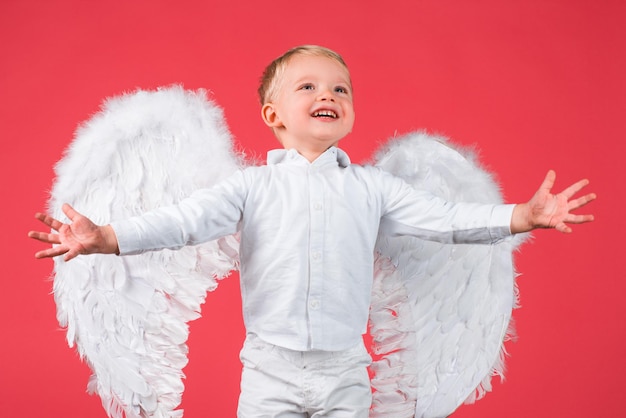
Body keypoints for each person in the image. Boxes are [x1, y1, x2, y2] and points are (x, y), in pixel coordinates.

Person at [29, 45, 596, 418]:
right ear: (273, 116)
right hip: (268, 371)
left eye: (341, 89)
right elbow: (181, 223)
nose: (328, 95)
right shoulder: (250, 188)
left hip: (344, 369)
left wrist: (520, 216)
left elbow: (444, 220)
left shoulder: (372, 189)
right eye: (308, 88)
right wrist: (106, 236)